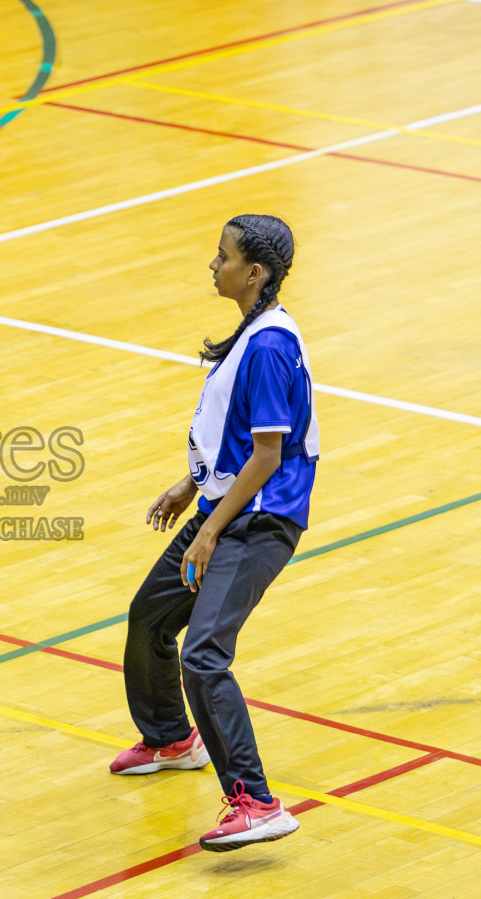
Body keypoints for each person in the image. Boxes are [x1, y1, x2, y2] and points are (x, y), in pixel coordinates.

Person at [110, 214, 319, 853]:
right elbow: (234, 440)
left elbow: (266, 455)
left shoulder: (269, 346)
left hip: (259, 522)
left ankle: (256, 801)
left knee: (204, 654)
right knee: (150, 617)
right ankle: (173, 738)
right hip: (227, 507)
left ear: (254, 272)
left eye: (222, 256)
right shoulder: (253, 333)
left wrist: (209, 531)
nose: (213, 265)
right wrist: (191, 485)